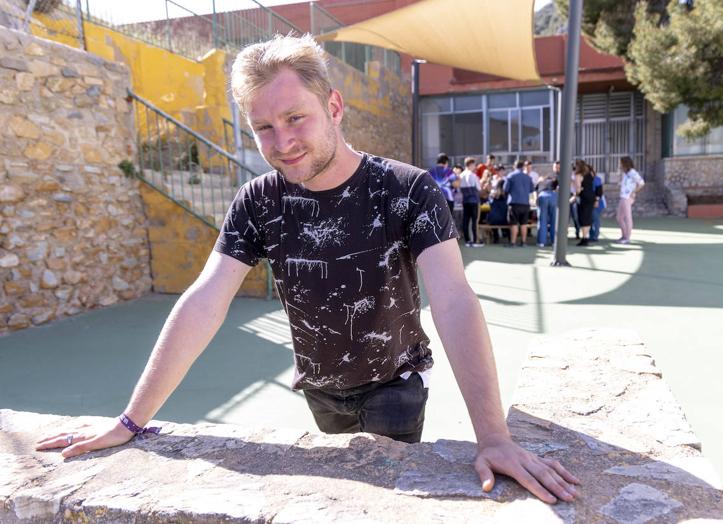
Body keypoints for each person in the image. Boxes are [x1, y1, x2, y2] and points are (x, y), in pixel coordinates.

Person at [35, 35, 578, 505]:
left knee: (386, 497)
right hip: (318, 386)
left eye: (296, 117)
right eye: (263, 127)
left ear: (334, 106)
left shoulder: (407, 190)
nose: (282, 141)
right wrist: (130, 421)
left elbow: (454, 299)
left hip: (395, 382)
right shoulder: (258, 202)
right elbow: (205, 299)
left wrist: (493, 435)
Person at [503, 159, 535, 247]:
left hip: (514, 203)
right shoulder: (528, 177)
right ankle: (524, 242)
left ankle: (513, 242)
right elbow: (532, 190)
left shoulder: (511, 176)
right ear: (523, 167)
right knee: (524, 223)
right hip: (525, 203)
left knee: (514, 223)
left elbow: (505, 189)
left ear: (514, 166)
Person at [616, 156, 645, 244]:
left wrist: (634, 192)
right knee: (619, 217)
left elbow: (641, 183)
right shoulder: (625, 173)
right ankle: (624, 235)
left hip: (628, 197)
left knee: (628, 217)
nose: (619, 164)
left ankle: (627, 238)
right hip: (623, 196)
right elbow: (620, 183)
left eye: (620, 162)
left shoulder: (633, 172)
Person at [460, 157, 483, 247]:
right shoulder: (473, 175)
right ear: (470, 164)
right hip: (474, 201)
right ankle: (474, 241)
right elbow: (479, 188)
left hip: (465, 201)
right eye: (474, 165)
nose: (475, 166)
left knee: (465, 220)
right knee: (474, 221)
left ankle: (467, 241)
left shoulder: (461, 175)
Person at [572, 160, 596, 246]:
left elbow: (578, 189)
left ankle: (584, 238)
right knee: (588, 217)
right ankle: (586, 237)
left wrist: (575, 194)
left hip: (583, 197)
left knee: (582, 217)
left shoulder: (578, 175)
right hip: (591, 196)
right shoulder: (590, 174)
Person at [535, 166, 558, 248]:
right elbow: (557, 189)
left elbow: (536, 191)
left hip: (542, 196)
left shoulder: (540, 182)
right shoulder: (553, 181)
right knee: (554, 220)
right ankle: (554, 241)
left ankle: (542, 242)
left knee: (542, 220)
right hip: (553, 195)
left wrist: (536, 201)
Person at [486, 178, 510, 244]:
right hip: (504, 220)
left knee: (494, 217)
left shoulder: (493, 195)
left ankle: (496, 238)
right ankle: (509, 237)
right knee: (508, 220)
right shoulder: (508, 196)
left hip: (493, 220)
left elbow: (489, 204)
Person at [589, 169, 606, 242]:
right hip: (589, 203)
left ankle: (595, 236)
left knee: (596, 219)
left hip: (597, 203)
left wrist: (596, 201)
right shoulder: (587, 180)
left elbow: (599, 191)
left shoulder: (597, 180)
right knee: (590, 220)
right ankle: (591, 235)